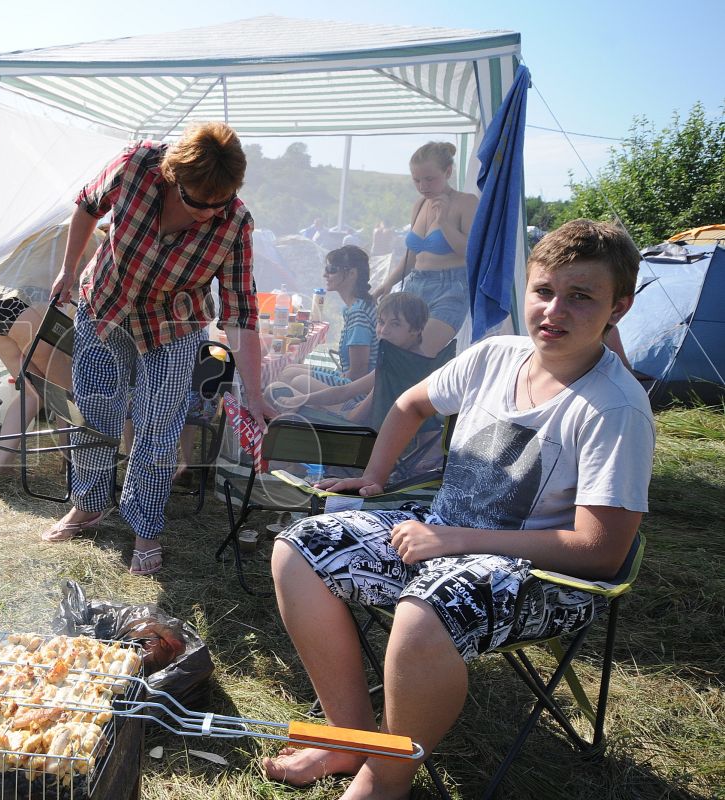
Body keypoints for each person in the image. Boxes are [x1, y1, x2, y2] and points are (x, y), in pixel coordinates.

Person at [262, 219, 654, 798]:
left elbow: (600, 552)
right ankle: (348, 737)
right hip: (444, 533)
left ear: (617, 308)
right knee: (298, 548)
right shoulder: (494, 356)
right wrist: (374, 477)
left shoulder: (615, 408)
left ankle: (386, 777)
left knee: (426, 610)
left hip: (548, 576)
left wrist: (457, 542)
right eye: (544, 291)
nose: (554, 310)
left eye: (581, 297)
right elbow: (408, 404)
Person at [46, 121, 277, 575]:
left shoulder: (236, 225)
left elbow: (241, 315)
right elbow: (87, 207)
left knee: (158, 427)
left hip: (173, 326)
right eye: (197, 202)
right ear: (172, 176)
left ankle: (145, 528)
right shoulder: (136, 165)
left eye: (219, 203)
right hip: (105, 305)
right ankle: (89, 505)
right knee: (96, 411)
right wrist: (69, 270)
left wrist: (255, 395)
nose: (208, 213)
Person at [374, 142, 479, 357]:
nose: (423, 186)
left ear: (448, 172)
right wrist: (387, 284)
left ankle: (354, 392)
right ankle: (371, 392)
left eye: (429, 179)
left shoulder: (466, 202)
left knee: (420, 353)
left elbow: (472, 254)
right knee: (394, 351)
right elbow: (412, 256)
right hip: (414, 284)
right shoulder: (420, 205)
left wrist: (444, 223)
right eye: (417, 180)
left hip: (450, 288)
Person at [274, 292, 429, 425]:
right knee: (297, 386)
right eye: (381, 322)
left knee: (274, 390)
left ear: (416, 329)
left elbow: (354, 415)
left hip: (354, 428)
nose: (384, 330)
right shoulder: (418, 360)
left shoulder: (395, 368)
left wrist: (303, 402)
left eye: (395, 324)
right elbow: (349, 392)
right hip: (367, 416)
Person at [274, 245, 377, 395]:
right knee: (289, 370)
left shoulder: (358, 314)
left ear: (352, 274)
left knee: (293, 378)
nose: (325, 274)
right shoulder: (358, 306)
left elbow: (358, 373)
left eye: (332, 269)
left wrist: (331, 383)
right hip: (353, 379)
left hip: (358, 391)